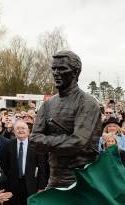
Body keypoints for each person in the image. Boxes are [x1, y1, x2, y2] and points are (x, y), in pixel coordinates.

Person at [30, 50, 102, 189]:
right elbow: (33, 140)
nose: (56, 73)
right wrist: (64, 139)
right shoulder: (48, 104)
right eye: (54, 69)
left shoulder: (87, 103)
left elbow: (78, 142)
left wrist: (48, 141)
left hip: (81, 179)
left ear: (75, 72)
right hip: (54, 178)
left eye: (62, 69)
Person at [1, 121, 49, 205]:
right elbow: (4, 167)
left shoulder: (36, 145)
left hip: (32, 184)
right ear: (14, 131)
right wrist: (7, 185)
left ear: (28, 131)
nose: (20, 130)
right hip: (14, 184)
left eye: (23, 128)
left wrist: (41, 187)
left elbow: (43, 167)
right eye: (18, 128)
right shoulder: (9, 145)